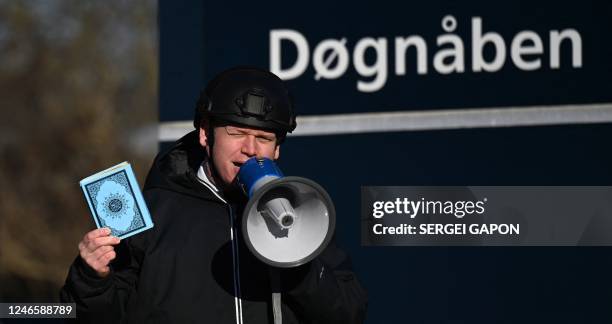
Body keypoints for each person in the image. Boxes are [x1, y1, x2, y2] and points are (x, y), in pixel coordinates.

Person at [60, 66, 368, 323]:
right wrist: (91, 279)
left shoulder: (301, 209)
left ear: (277, 148)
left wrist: (297, 262)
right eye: (236, 133)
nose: (250, 149)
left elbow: (348, 313)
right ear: (206, 134)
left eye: (263, 138)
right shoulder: (151, 212)